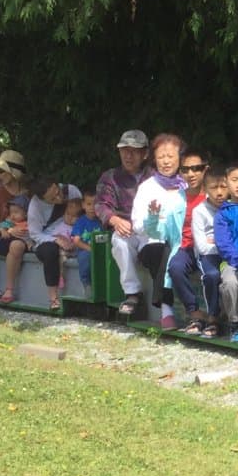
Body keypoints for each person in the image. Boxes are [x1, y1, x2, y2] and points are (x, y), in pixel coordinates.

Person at [130, 133, 187, 331]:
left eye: (170, 156)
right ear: (154, 159)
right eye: (161, 156)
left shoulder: (187, 185)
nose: (165, 161)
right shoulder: (147, 187)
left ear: (180, 158)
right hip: (152, 242)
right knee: (160, 249)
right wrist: (155, 222)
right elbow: (137, 224)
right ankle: (166, 309)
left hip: (183, 241)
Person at [94, 130, 151, 318]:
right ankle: (132, 294)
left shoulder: (156, 175)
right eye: (124, 150)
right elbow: (101, 204)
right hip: (127, 228)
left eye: (134, 151)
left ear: (145, 153)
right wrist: (114, 219)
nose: (128, 155)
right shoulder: (110, 177)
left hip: (154, 227)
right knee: (119, 241)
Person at [167, 150, 209, 334]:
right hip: (185, 247)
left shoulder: (215, 194)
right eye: (185, 170)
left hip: (209, 248)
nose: (191, 174)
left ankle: (217, 318)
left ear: (205, 169)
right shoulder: (176, 198)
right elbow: (163, 229)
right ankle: (195, 313)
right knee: (175, 267)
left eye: (196, 168)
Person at [214, 160, 238, 343]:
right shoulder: (222, 213)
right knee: (230, 282)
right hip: (232, 261)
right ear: (226, 182)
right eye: (235, 180)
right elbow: (224, 244)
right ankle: (235, 324)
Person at [0, 150, 31, 302]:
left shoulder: (29, 194)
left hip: (29, 235)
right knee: (16, 245)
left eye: (1, 171)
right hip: (3, 238)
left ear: (13, 172)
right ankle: (9, 289)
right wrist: (7, 229)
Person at [190, 164, 228, 337]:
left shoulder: (231, 208)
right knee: (212, 276)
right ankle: (213, 317)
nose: (219, 192)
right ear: (205, 189)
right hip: (208, 256)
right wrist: (223, 245)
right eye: (214, 187)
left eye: (223, 187)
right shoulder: (199, 212)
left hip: (227, 254)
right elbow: (202, 246)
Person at [27, 176, 72, 311]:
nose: (58, 198)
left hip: (70, 231)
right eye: (52, 199)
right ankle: (53, 297)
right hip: (46, 238)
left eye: (57, 192)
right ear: (42, 198)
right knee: (50, 251)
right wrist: (55, 239)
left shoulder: (70, 191)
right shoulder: (35, 206)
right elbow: (35, 234)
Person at [69, 190, 101, 292]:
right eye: (89, 204)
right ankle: (86, 282)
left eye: (95, 204)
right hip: (84, 250)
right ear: (83, 205)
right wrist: (90, 249)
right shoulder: (81, 221)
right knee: (86, 257)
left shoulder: (101, 221)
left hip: (99, 249)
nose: (92, 207)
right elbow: (76, 241)